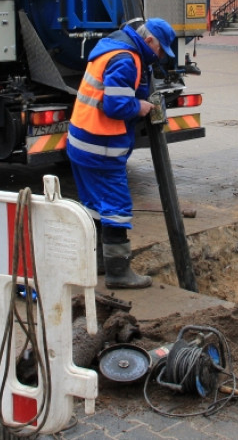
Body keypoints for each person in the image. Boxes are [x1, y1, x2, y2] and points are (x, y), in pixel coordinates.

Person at [66, 17, 177, 289]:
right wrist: (138, 107)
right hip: (100, 147)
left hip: (81, 142)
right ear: (149, 41)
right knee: (116, 207)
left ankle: (99, 262)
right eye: (161, 50)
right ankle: (118, 273)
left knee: (94, 205)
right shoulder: (126, 59)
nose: (160, 57)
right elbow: (115, 106)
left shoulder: (113, 47)